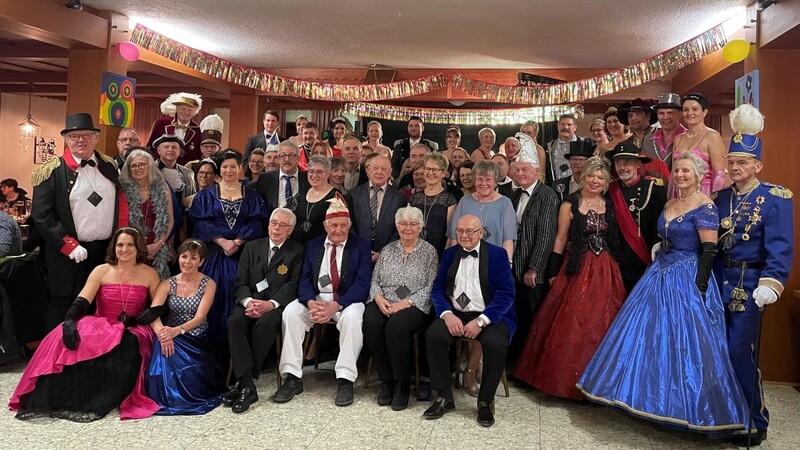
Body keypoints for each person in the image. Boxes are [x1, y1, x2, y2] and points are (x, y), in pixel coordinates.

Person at [578, 151, 749, 433]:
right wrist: (660, 246)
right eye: (678, 171)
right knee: (650, 339)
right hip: (659, 272)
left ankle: (684, 407)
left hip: (687, 276)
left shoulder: (705, 206)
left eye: (686, 171)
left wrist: (701, 286)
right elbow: (662, 235)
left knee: (683, 343)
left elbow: (709, 249)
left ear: (698, 176)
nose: (680, 175)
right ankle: (650, 401)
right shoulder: (671, 202)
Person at [9, 228, 161, 421]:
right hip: (103, 323)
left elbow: (158, 306)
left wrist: (143, 317)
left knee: (128, 346)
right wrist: (69, 321)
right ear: (114, 248)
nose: (124, 249)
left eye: (130, 244)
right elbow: (82, 300)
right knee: (70, 340)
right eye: (120, 245)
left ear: (138, 247)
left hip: (133, 327)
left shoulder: (150, 274)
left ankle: (106, 397)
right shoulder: (101, 270)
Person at [713, 104, 794, 446]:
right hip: (718, 283)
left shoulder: (776, 198)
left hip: (749, 287)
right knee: (717, 351)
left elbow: (780, 245)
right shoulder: (718, 199)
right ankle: (727, 416)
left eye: (742, 163)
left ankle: (755, 419)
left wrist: (771, 283)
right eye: (731, 162)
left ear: (757, 165)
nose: (735, 167)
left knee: (738, 351)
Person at [514, 157, 626, 400]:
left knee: (602, 322)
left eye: (600, 178)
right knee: (573, 322)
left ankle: (600, 383)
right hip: (578, 267)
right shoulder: (569, 204)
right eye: (591, 176)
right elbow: (560, 239)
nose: (595, 181)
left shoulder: (609, 203)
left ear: (606, 183)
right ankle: (566, 382)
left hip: (606, 269)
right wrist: (553, 270)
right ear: (583, 177)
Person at [272, 196, 372, 407]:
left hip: (345, 301)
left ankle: (345, 379)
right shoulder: (312, 245)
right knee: (290, 312)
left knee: (353, 319)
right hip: (316, 300)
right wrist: (309, 302)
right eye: (334, 225)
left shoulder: (361, 246)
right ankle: (292, 377)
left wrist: (336, 304)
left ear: (350, 225)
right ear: (326, 225)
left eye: (343, 225)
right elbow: (305, 278)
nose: (338, 230)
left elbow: (362, 284)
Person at [31, 113, 124, 330]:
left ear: (96, 138)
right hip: (68, 254)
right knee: (65, 307)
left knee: (98, 305)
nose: (80, 141)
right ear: (66, 139)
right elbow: (42, 215)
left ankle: (90, 359)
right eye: (74, 136)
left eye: (86, 135)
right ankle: (54, 359)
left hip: (104, 251)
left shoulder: (109, 166)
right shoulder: (51, 171)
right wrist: (69, 245)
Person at [424, 214, 515, 427]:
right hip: (455, 312)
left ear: (480, 233)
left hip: (489, 313)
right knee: (434, 336)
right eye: (460, 231)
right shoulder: (448, 255)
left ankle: (485, 401)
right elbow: (437, 290)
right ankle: (443, 397)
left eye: (470, 231)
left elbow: (506, 293)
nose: (464, 235)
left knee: (496, 343)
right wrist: (447, 315)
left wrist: (482, 321)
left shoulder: (498, 255)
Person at [189, 150, 268, 357]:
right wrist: (223, 242)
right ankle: (212, 351)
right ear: (219, 170)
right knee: (213, 296)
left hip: (244, 255)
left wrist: (238, 241)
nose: (229, 170)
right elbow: (201, 223)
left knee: (241, 297)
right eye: (224, 167)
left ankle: (241, 353)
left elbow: (256, 222)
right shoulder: (206, 196)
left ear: (240, 167)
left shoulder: (251, 195)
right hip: (215, 254)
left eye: (233, 166)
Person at [225, 208, 304, 413]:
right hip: (250, 303)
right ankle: (247, 384)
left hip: (275, 306)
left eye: (282, 225)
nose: (276, 228)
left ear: (291, 230)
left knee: (265, 324)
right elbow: (241, 281)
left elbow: (293, 284)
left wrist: (271, 304)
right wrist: (249, 302)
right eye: (273, 223)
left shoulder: (297, 250)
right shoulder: (252, 247)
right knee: (235, 322)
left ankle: (244, 382)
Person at [363, 206, 438, 410]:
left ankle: (402, 383)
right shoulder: (388, 250)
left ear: (421, 227)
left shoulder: (429, 252)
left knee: (396, 328)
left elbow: (431, 285)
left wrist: (403, 304)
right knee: (370, 320)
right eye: (403, 224)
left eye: (413, 224)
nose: (408, 228)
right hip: (385, 300)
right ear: (397, 226)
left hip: (414, 304)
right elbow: (374, 279)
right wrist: (378, 298)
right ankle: (386, 380)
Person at [144, 239, 225, 415]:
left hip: (195, 337)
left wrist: (177, 330)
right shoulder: (167, 284)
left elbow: (200, 317)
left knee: (191, 376)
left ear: (201, 262)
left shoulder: (209, 283)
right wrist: (163, 334)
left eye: (193, 258)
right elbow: (153, 314)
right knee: (162, 354)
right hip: (169, 335)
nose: (187, 262)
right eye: (184, 256)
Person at [507, 134, 559, 363]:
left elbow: (546, 234)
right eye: (516, 170)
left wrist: (535, 268)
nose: (520, 174)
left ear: (536, 171)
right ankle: (516, 362)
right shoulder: (515, 194)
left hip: (531, 272)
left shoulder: (547, 195)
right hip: (514, 269)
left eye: (524, 170)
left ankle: (530, 365)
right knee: (517, 316)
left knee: (533, 318)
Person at [606, 142, 668, 292]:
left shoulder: (654, 188)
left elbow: (660, 225)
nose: (622, 167)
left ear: (638, 164)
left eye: (627, 162)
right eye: (618, 163)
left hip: (644, 257)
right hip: (617, 260)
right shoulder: (609, 190)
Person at [119, 149, 175, 280]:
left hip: (157, 245)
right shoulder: (122, 189)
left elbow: (170, 220)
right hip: (131, 244)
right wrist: (136, 246)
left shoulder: (163, 187)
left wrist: (158, 244)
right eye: (133, 166)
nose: (137, 168)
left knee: (156, 282)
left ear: (150, 166)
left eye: (142, 164)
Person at [449, 160, 516, 259]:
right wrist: (453, 261)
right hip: (466, 260)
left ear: (495, 181)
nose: (484, 183)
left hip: (494, 260)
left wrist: (507, 264)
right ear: (474, 180)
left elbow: (508, 239)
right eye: (479, 179)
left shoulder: (505, 203)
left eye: (488, 179)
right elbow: (454, 236)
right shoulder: (465, 201)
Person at [347, 154, 405, 261]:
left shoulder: (399, 198)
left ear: (390, 172)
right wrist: (360, 248)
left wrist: (383, 252)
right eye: (375, 168)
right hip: (358, 253)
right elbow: (349, 225)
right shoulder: (354, 194)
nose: (379, 172)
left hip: (388, 257)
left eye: (384, 169)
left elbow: (399, 229)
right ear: (368, 171)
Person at [671, 93, 726, 197]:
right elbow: (673, 172)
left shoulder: (712, 136)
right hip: (681, 192)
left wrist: (714, 201)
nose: (689, 113)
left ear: (704, 112)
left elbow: (719, 174)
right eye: (686, 110)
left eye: (694, 109)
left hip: (704, 193)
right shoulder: (679, 138)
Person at [408, 153, 457, 258]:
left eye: (435, 170)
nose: (430, 173)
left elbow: (450, 234)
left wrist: (445, 259)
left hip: (438, 253)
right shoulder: (413, 199)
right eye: (427, 169)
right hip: (413, 253)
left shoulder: (449, 200)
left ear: (444, 173)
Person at [293, 156, 342, 244]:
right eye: (311, 171)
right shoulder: (303, 191)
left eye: (319, 172)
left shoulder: (336, 196)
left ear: (328, 174)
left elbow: (337, 226)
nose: (314, 175)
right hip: (297, 245)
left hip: (320, 246)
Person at [250, 139, 310, 211]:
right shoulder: (265, 179)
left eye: (291, 155)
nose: (287, 159)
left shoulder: (307, 178)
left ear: (298, 158)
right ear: (278, 158)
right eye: (283, 155)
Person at [146, 92, 203, 165]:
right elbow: (150, 147)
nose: (186, 112)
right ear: (177, 109)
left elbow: (198, 154)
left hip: (186, 171)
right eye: (183, 109)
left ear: (194, 112)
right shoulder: (162, 123)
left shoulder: (197, 129)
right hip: (160, 167)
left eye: (190, 110)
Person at [643, 93, 686, 171]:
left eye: (670, 113)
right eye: (661, 113)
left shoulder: (689, 138)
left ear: (679, 114)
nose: (665, 117)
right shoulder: (648, 140)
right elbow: (643, 169)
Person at [154, 134, 196, 207]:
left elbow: (192, 198)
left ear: (179, 151)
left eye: (174, 147)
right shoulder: (149, 170)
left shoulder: (188, 173)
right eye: (166, 147)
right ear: (159, 150)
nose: (170, 150)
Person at [551, 138, 595, 202]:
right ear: (569, 161)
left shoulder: (594, 184)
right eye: (573, 159)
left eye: (581, 160)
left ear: (588, 162)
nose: (577, 162)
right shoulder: (558, 185)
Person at [544, 114, 582, 184]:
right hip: (556, 188)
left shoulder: (583, 144)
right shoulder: (549, 146)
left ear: (575, 127)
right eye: (562, 124)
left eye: (569, 124)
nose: (565, 127)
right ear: (558, 127)